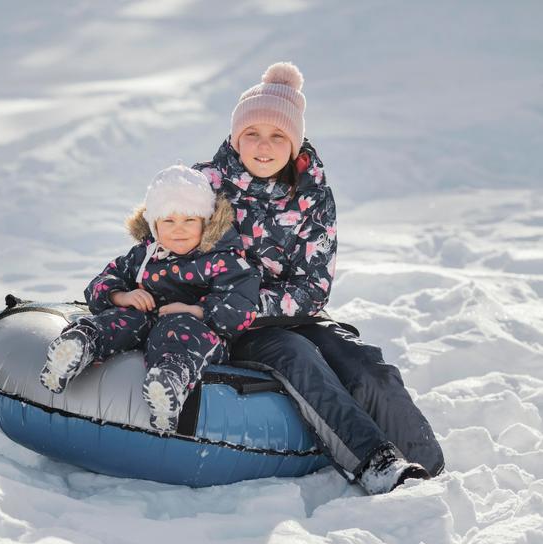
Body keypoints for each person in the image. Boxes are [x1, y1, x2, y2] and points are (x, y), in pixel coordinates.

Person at [192, 61, 445, 495]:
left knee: (366, 366)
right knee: (298, 356)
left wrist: (270, 304)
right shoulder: (204, 187)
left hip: (295, 312)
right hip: (231, 319)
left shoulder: (312, 195)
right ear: (236, 138)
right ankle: (376, 463)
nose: (263, 146)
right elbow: (168, 251)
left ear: (294, 143)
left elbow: (313, 286)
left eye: (277, 136)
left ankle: (431, 469)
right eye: (252, 133)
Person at [39, 165, 262, 432]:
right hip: (145, 322)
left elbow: (241, 306)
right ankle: (79, 346)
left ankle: (169, 382)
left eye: (189, 220)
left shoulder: (224, 259)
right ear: (154, 224)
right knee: (125, 318)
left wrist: (196, 310)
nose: (179, 229)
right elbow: (100, 282)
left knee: (180, 329)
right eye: (169, 221)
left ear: (206, 221)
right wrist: (122, 296)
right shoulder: (144, 255)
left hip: (196, 331)